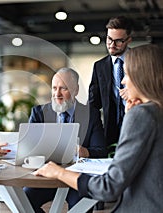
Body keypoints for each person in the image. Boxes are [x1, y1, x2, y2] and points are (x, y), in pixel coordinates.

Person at [34, 44, 163, 212]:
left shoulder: (142, 115)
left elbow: (109, 187)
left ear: (142, 77)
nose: (123, 81)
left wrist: (59, 173)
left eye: (128, 74)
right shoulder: (156, 112)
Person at [24, 68, 107, 212]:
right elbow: (29, 149)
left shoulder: (91, 115)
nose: (57, 94)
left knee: (82, 208)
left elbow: (101, 151)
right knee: (24, 201)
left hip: (75, 179)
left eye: (64, 89)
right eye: (54, 88)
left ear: (76, 90)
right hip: (46, 177)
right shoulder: (38, 113)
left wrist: (85, 152)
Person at [89, 16, 133, 152]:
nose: (112, 45)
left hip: (136, 125)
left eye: (118, 41)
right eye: (109, 39)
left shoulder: (140, 62)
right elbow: (93, 103)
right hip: (109, 132)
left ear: (128, 40)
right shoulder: (99, 66)